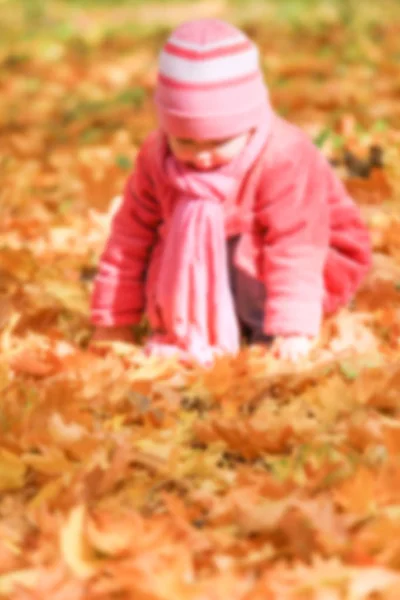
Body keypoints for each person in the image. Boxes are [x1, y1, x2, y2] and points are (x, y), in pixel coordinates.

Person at [90, 18, 372, 365]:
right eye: (186, 141)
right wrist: (113, 319)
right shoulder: (156, 156)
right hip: (218, 249)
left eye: (219, 141)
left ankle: (259, 326)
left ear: (249, 122)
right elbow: (129, 237)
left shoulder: (283, 156)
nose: (202, 156)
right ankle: (194, 319)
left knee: (251, 251)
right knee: (174, 237)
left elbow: (296, 244)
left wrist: (294, 327)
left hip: (310, 258)